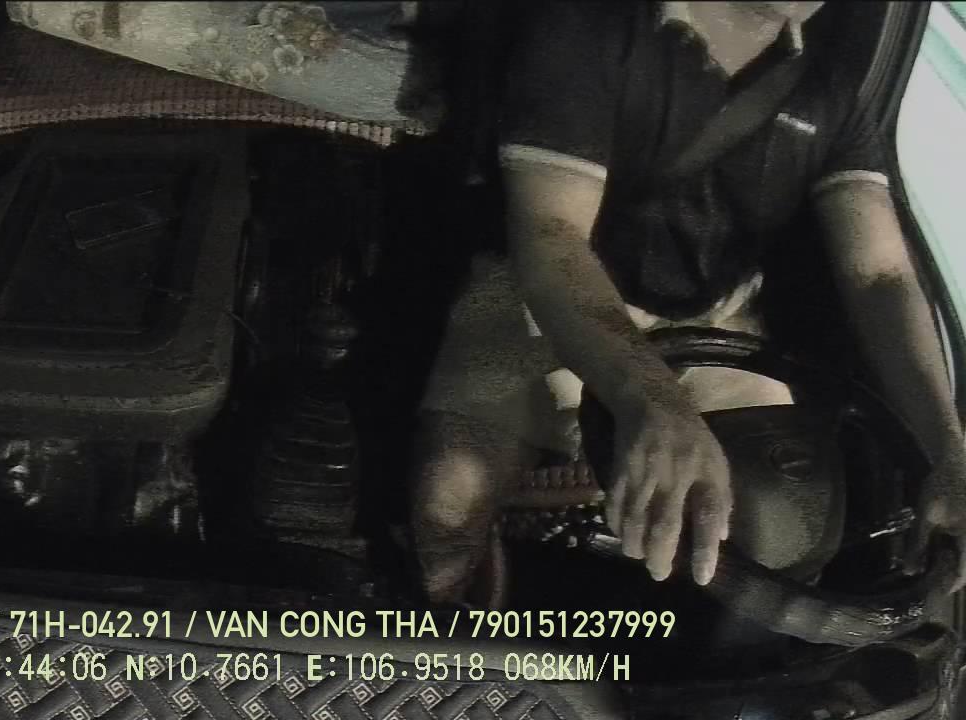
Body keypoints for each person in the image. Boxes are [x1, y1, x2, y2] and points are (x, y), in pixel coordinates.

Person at [413, 1, 966, 602]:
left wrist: (948, 449)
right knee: (449, 503)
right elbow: (552, 238)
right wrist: (654, 401)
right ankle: (443, 631)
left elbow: (880, 275)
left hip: (714, 320)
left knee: (793, 530)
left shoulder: (827, 91)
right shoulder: (588, 29)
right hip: (538, 291)